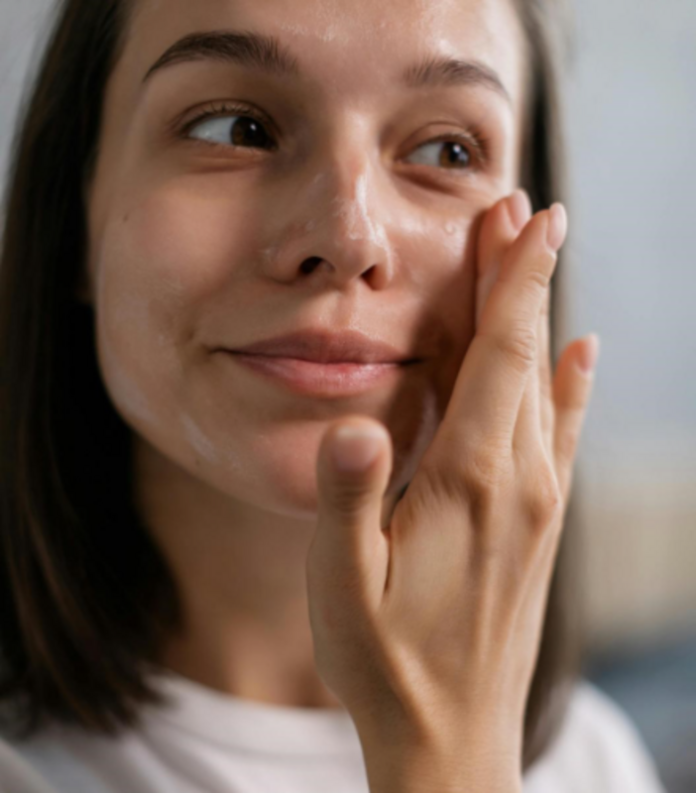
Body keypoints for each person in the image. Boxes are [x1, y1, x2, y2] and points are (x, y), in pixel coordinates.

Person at [0, 0, 668, 790]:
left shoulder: (593, 762)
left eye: (447, 150)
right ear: (72, 217)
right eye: (234, 129)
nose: (348, 237)